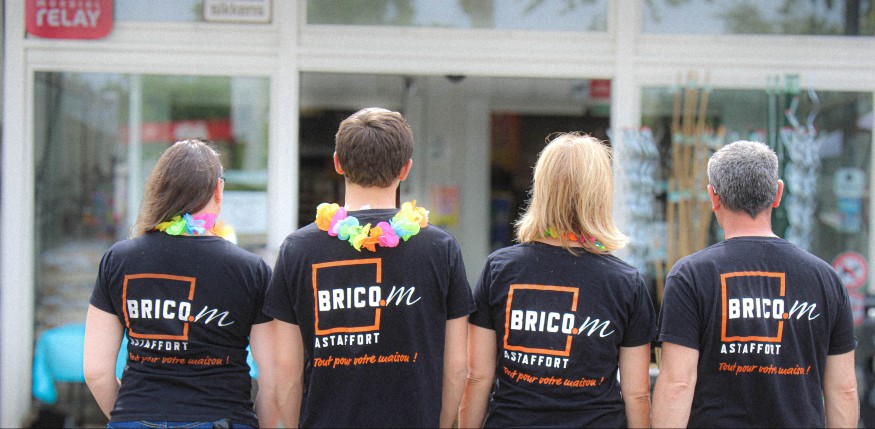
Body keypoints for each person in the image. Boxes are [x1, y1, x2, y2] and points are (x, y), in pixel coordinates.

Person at [263, 107, 475, 428]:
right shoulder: (441, 249)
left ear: (337, 163)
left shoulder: (298, 250)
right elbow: (458, 367)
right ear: (406, 169)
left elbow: (286, 370)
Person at [652, 140, 859, 428]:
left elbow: (678, 383)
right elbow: (843, 390)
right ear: (778, 194)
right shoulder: (825, 279)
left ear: (713, 197)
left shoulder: (691, 277)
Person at [458, 133, 656, 428]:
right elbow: (637, 393)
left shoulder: (500, 270)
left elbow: (477, 377)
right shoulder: (625, 282)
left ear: (542, 189)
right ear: (601, 193)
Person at [83, 139, 277, 428]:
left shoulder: (118, 260)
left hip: (137, 416)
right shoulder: (251, 270)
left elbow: (96, 371)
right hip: (221, 418)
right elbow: (274, 380)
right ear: (218, 190)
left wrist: (131, 418)